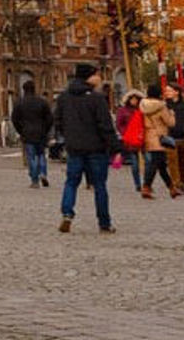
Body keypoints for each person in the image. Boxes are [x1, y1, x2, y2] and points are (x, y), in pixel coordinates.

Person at [56, 64, 123, 234]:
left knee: (71, 182)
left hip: (74, 148)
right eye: (97, 75)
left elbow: (58, 121)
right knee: (99, 185)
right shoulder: (96, 98)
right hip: (96, 149)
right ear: (89, 77)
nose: (99, 78)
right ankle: (104, 223)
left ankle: (67, 213)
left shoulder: (64, 97)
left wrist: (69, 137)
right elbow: (105, 126)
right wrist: (116, 147)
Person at [10, 80, 54, 188]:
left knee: (31, 157)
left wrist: (21, 130)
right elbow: (49, 118)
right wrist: (45, 130)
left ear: (23, 90)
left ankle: (35, 180)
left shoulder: (19, 103)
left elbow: (14, 119)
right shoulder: (42, 102)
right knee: (41, 155)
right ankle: (43, 173)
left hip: (27, 133)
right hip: (41, 132)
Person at [137, 84, 176, 199]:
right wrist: (172, 114)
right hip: (159, 137)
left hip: (148, 136)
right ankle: (146, 187)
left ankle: (172, 188)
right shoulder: (161, 106)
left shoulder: (143, 105)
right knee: (155, 164)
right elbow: (170, 123)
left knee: (161, 164)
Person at [161, 81, 184, 195]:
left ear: (177, 92)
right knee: (172, 162)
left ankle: (182, 183)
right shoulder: (164, 106)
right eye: (166, 91)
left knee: (182, 162)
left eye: (169, 91)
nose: (167, 93)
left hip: (183, 137)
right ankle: (176, 184)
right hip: (170, 137)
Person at [116, 91, 146, 192]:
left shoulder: (142, 110)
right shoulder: (123, 111)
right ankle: (137, 184)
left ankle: (146, 183)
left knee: (148, 162)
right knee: (134, 163)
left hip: (142, 138)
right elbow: (119, 123)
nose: (134, 101)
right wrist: (125, 133)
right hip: (130, 139)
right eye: (132, 99)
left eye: (136, 99)